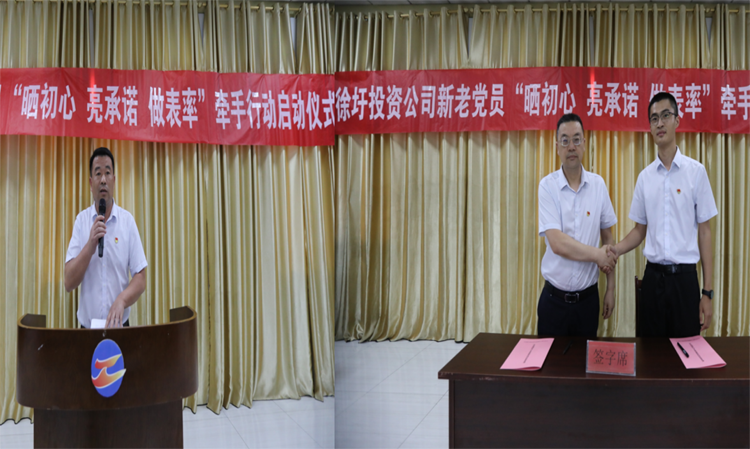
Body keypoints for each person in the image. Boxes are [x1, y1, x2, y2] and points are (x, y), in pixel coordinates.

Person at [611, 92, 717, 338]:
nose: (660, 123)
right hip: (653, 280)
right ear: (650, 128)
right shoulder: (645, 178)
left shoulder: (696, 172)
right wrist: (615, 250)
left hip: (685, 281)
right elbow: (639, 230)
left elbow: (705, 232)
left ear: (677, 120)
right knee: (651, 355)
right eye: (654, 118)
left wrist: (707, 293)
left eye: (665, 115)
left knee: (686, 352)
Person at [537, 113, 618, 337]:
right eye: (565, 140)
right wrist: (597, 255)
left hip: (588, 302)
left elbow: (608, 240)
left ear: (584, 143)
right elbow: (557, 243)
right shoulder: (547, 186)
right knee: (550, 360)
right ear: (557, 147)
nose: (571, 146)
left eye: (576, 139)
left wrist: (610, 289)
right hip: (553, 302)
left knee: (586, 360)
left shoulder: (598, 185)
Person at [64, 147, 147, 328]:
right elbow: (68, 282)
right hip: (87, 332)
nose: (103, 180)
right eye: (98, 173)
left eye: (107, 173)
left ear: (114, 180)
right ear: (90, 182)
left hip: (119, 329)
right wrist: (90, 246)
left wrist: (122, 300)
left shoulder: (127, 222)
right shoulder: (81, 221)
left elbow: (141, 277)